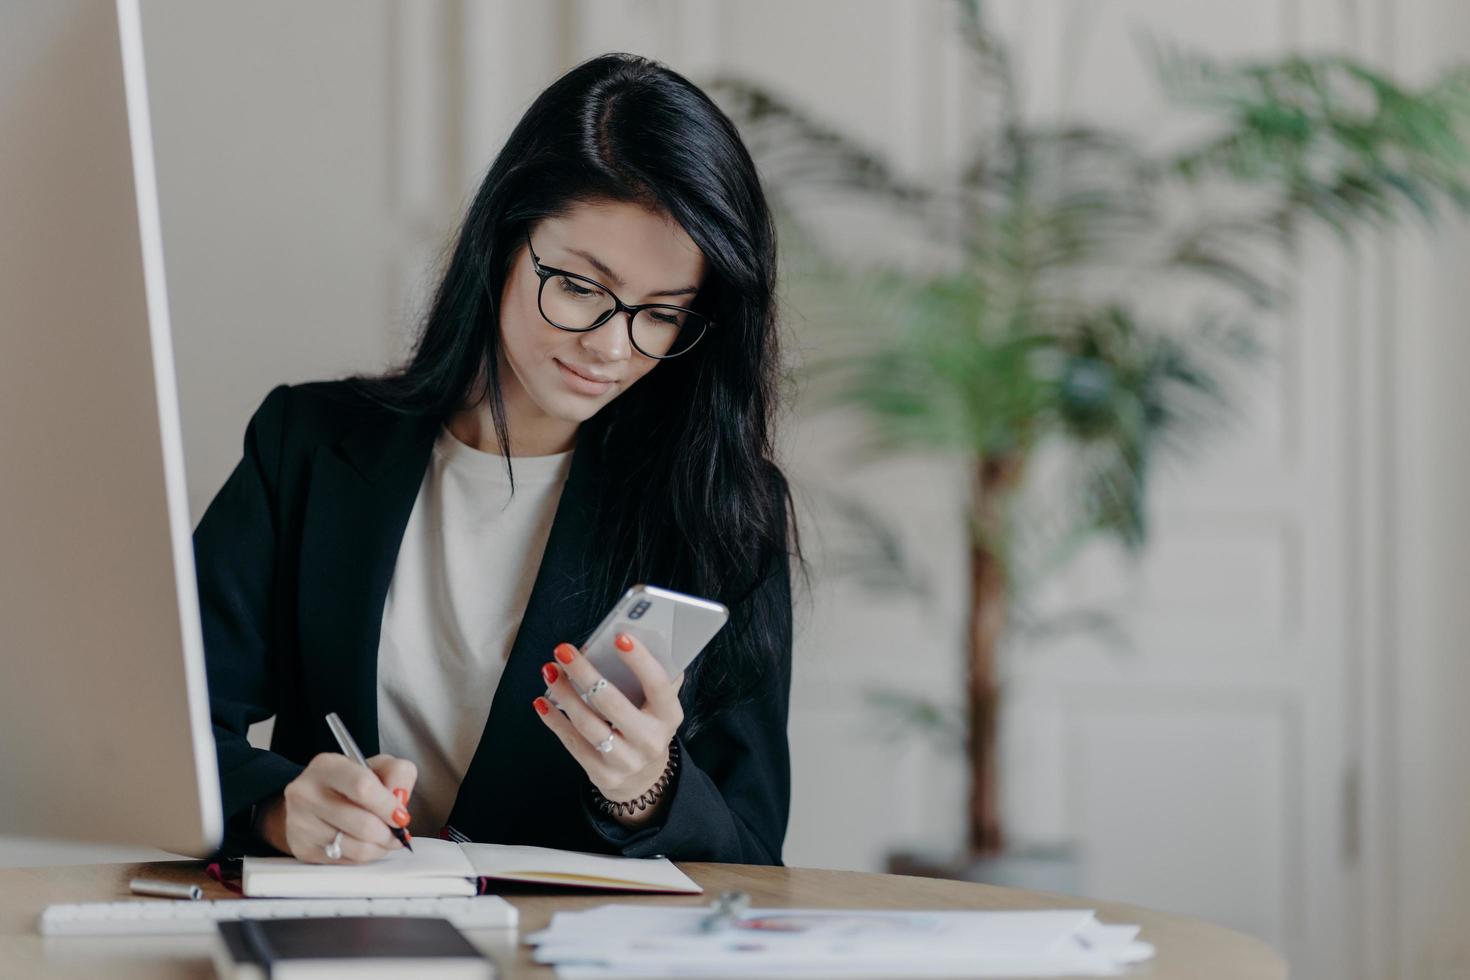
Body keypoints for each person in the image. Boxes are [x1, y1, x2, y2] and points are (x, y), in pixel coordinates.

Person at [196, 52, 799, 868]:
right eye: (581, 287)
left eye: (661, 314)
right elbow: (172, 724)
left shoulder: (725, 510)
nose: (612, 348)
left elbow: (752, 859)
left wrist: (648, 790)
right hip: (336, 935)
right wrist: (277, 806)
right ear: (503, 241)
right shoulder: (308, 445)